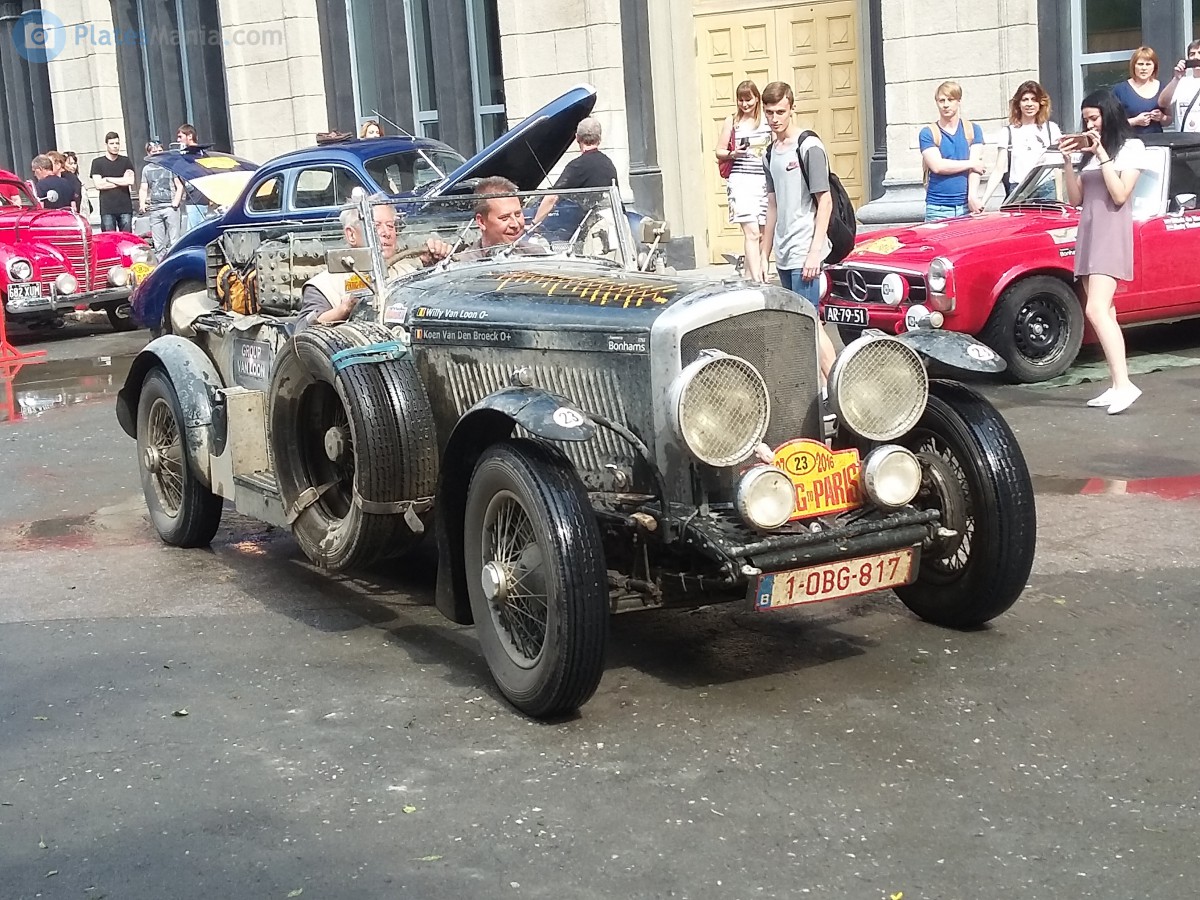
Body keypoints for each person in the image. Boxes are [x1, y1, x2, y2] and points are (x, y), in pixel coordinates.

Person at [1060, 90, 1146, 415]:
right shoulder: (1091, 154)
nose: (1089, 124)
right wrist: (1068, 160)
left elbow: (1120, 194)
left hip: (1111, 232)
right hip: (1089, 232)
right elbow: (1074, 199)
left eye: (1094, 118)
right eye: (1085, 120)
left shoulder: (1131, 148)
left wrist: (1103, 156)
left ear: (1108, 115)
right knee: (1104, 312)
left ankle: (1124, 385)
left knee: (1096, 309)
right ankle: (1117, 384)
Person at [760, 81, 837, 379]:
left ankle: (835, 386)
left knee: (810, 322)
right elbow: (773, 206)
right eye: (769, 112)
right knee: (796, 325)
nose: (775, 118)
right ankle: (812, 390)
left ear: (791, 108)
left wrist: (814, 252)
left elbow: (825, 202)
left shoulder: (809, 146)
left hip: (806, 249)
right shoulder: (769, 154)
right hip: (784, 252)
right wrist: (764, 255)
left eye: (780, 111)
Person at [298, 199, 450, 330]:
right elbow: (303, 330)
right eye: (376, 226)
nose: (387, 233)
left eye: (391, 226)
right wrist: (344, 309)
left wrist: (439, 264)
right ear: (351, 235)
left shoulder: (410, 271)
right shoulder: (325, 285)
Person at [714, 80, 772, 281]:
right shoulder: (732, 121)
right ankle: (758, 281)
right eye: (741, 100)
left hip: (764, 182)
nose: (745, 104)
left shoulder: (767, 120)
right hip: (741, 181)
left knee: (763, 235)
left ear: (757, 98)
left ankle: (749, 276)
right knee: (752, 233)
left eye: (749, 99)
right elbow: (719, 151)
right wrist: (733, 154)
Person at [981, 81, 1062, 205]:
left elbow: (1056, 168)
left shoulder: (1051, 129)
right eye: (1025, 99)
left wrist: (1060, 198)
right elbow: (998, 170)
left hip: (1046, 189)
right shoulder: (1007, 132)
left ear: (1040, 103)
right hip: (1019, 191)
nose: (1029, 104)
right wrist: (983, 201)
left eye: (1034, 99)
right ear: (1018, 103)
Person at [532, 117, 619, 226]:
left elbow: (552, 197)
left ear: (577, 138)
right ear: (599, 139)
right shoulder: (608, 164)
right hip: (616, 222)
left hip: (594, 227)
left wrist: (534, 224)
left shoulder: (577, 166)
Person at [919, 81, 986, 221]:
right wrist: (970, 163)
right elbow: (937, 166)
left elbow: (976, 168)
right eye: (941, 100)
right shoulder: (928, 133)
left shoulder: (973, 130)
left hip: (966, 206)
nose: (945, 105)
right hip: (938, 207)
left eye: (950, 99)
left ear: (958, 101)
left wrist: (972, 197)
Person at [138, 140, 184, 259]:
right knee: (158, 244)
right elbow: (143, 188)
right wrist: (142, 204)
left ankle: (175, 262)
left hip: (170, 207)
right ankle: (161, 264)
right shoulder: (146, 169)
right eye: (154, 151)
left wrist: (176, 202)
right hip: (155, 209)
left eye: (160, 150)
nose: (158, 153)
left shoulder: (170, 166)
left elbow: (179, 186)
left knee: (174, 241)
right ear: (149, 154)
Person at [1112, 47, 1168, 134]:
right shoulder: (1120, 90)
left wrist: (1161, 117)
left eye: (1148, 64)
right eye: (1140, 64)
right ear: (1133, 66)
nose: (1144, 68)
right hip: (1130, 142)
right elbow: (1112, 123)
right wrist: (1135, 121)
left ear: (1154, 67)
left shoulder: (1163, 88)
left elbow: (1168, 120)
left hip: (1157, 142)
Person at [89, 131, 135, 232]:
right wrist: (121, 181)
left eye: (117, 143)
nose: (115, 146)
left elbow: (130, 181)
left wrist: (108, 179)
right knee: (109, 239)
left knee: (126, 238)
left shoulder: (125, 161)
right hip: (107, 208)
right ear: (106, 145)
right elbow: (99, 185)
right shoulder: (97, 163)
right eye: (112, 143)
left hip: (125, 207)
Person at [1158, 40, 1200, 133]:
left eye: (1199, 53)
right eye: (1192, 54)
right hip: (1186, 142)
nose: (1196, 57)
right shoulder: (1182, 82)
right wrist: (1176, 78)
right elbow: (1162, 103)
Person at [62, 152, 88, 216]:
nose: (73, 166)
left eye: (75, 163)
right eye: (70, 164)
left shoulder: (75, 178)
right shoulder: (66, 179)